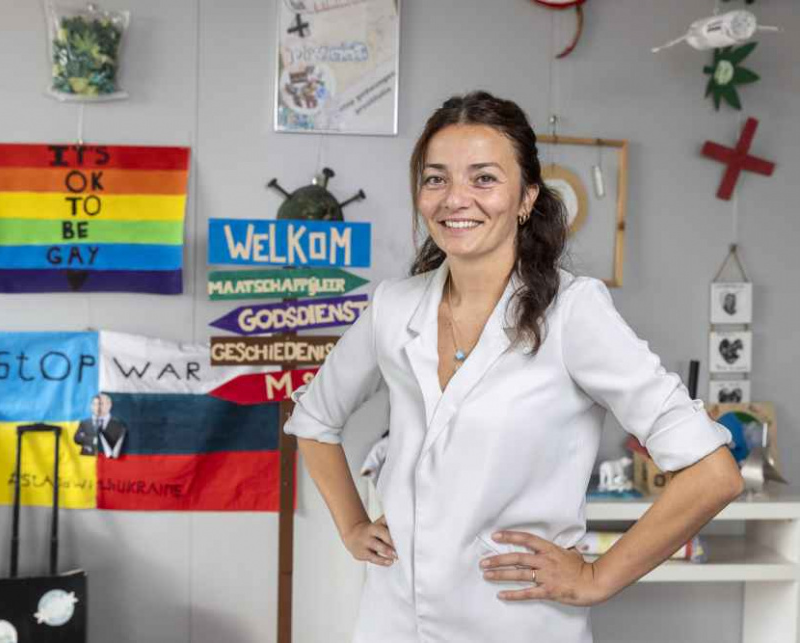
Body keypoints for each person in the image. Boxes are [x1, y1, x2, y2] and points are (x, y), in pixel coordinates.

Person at [283, 91, 744, 642]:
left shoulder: (573, 312)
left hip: (517, 622)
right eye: (436, 179)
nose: (456, 199)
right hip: (394, 619)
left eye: (483, 179)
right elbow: (314, 418)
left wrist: (598, 578)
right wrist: (354, 526)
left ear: (526, 198)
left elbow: (713, 472)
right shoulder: (393, 306)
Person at [74, 393, 127, 459]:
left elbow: (117, 446)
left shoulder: (119, 425)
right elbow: (77, 439)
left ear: (109, 405)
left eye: (100, 404)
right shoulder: (85, 423)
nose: (97, 407)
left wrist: (86, 438)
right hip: (87, 459)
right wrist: (94, 440)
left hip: (110, 461)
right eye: (94, 404)